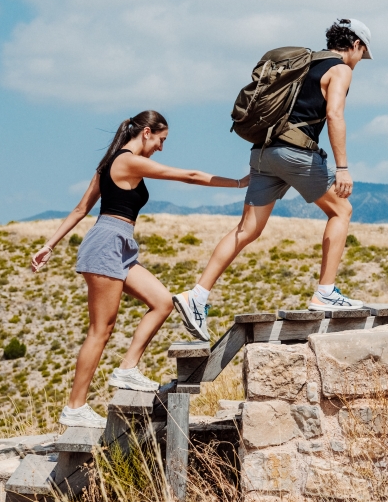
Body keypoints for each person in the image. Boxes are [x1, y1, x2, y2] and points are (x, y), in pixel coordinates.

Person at [30, 111, 249, 429]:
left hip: (119, 245)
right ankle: (74, 407)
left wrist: (48, 245)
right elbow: (187, 176)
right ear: (147, 132)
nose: (162, 147)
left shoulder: (110, 163)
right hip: (106, 244)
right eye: (161, 140)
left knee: (162, 301)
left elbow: (80, 209)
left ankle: (127, 369)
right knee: (101, 331)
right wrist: (241, 182)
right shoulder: (128, 161)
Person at [172, 18, 372, 341]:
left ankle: (197, 295)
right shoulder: (341, 70)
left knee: (246, 229)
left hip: (264, 151)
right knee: (341, 211)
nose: (359, 62)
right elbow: (335, 114)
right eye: (362, 55)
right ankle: (326, 292)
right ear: (356, 45)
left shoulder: (304, 62)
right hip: (296, 153)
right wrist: (343, 167)